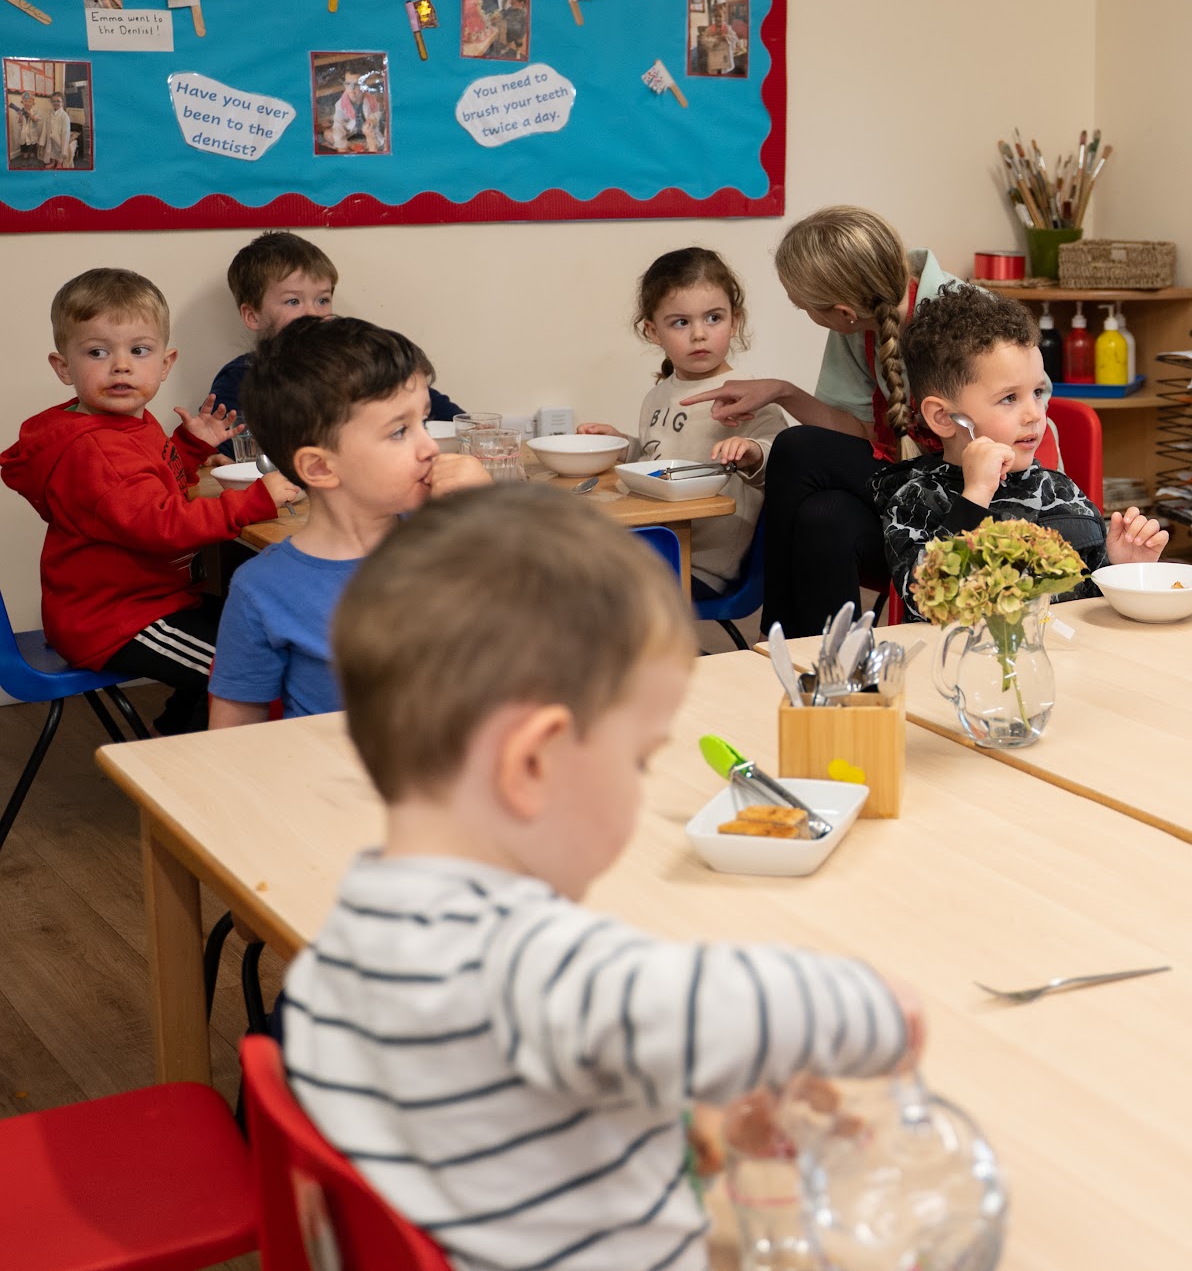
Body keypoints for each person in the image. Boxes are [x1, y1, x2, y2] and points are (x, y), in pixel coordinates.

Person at [278, 486, 922, 1269]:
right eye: (639, 758)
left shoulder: (331, 959)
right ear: (534, 763)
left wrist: (686, 1116)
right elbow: (725, 1002)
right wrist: (887, 1007)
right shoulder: (538, 967)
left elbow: (507, 1114)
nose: (644, 782)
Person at [0, 270, 296, 733]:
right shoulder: (93, 448)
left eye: (138, 351)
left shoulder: (119, 426)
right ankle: (196, 775)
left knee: (260, 632)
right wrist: (255, 500)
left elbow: (140, 484)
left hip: (142, 601)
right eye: (98, 352)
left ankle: (178, 737)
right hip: (118, 618)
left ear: (164, 362)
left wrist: (189, 447)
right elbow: (161, 526)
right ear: (64, 368)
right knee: (248, 670)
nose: (121, 366)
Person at [686, 207, 961, 635]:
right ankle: (833, 671)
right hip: (909, 484)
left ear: (844, 312)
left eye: (805, 308)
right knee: (824, 516)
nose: (806, 315)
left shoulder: (962, 317)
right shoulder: (863, 319)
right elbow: (858, 434)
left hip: (970, 496)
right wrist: (782, 391)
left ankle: (774, 637)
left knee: (798, 447)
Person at [207, 318, 490, 727]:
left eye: (422, 422)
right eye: (399, 431)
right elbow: (232, 741)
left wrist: (489, 516)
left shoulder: (452, 540)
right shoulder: (263, 591)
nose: (429, 446)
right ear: (320, 467)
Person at [876, 284, 1165, 612]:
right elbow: (928, 601)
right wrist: (975, 498)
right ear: (943, 417)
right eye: (1009, 398)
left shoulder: (1059, 492)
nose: (1034, 414)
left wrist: (1121, 568)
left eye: (1038, 392)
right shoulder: (916, 501)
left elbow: (1089, 604)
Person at [578, 248, 791, 597]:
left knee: (585, 586)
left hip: (702, 563)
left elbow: (782, 459)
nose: (699, 334)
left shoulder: (748, 393)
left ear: (734, 321)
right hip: (652, 544)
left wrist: (751, 451)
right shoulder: (658, 395)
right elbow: (657, 456)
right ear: (653, 331)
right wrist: (622, 445)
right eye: (681, 322)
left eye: (713, 318)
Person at [209, 231, 463, 458]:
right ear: (252, 316)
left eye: (322, 300)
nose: (313, 313)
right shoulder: (240, 378)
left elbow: (447, 416)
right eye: (293, 302)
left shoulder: (353, 366)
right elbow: (219, 451)